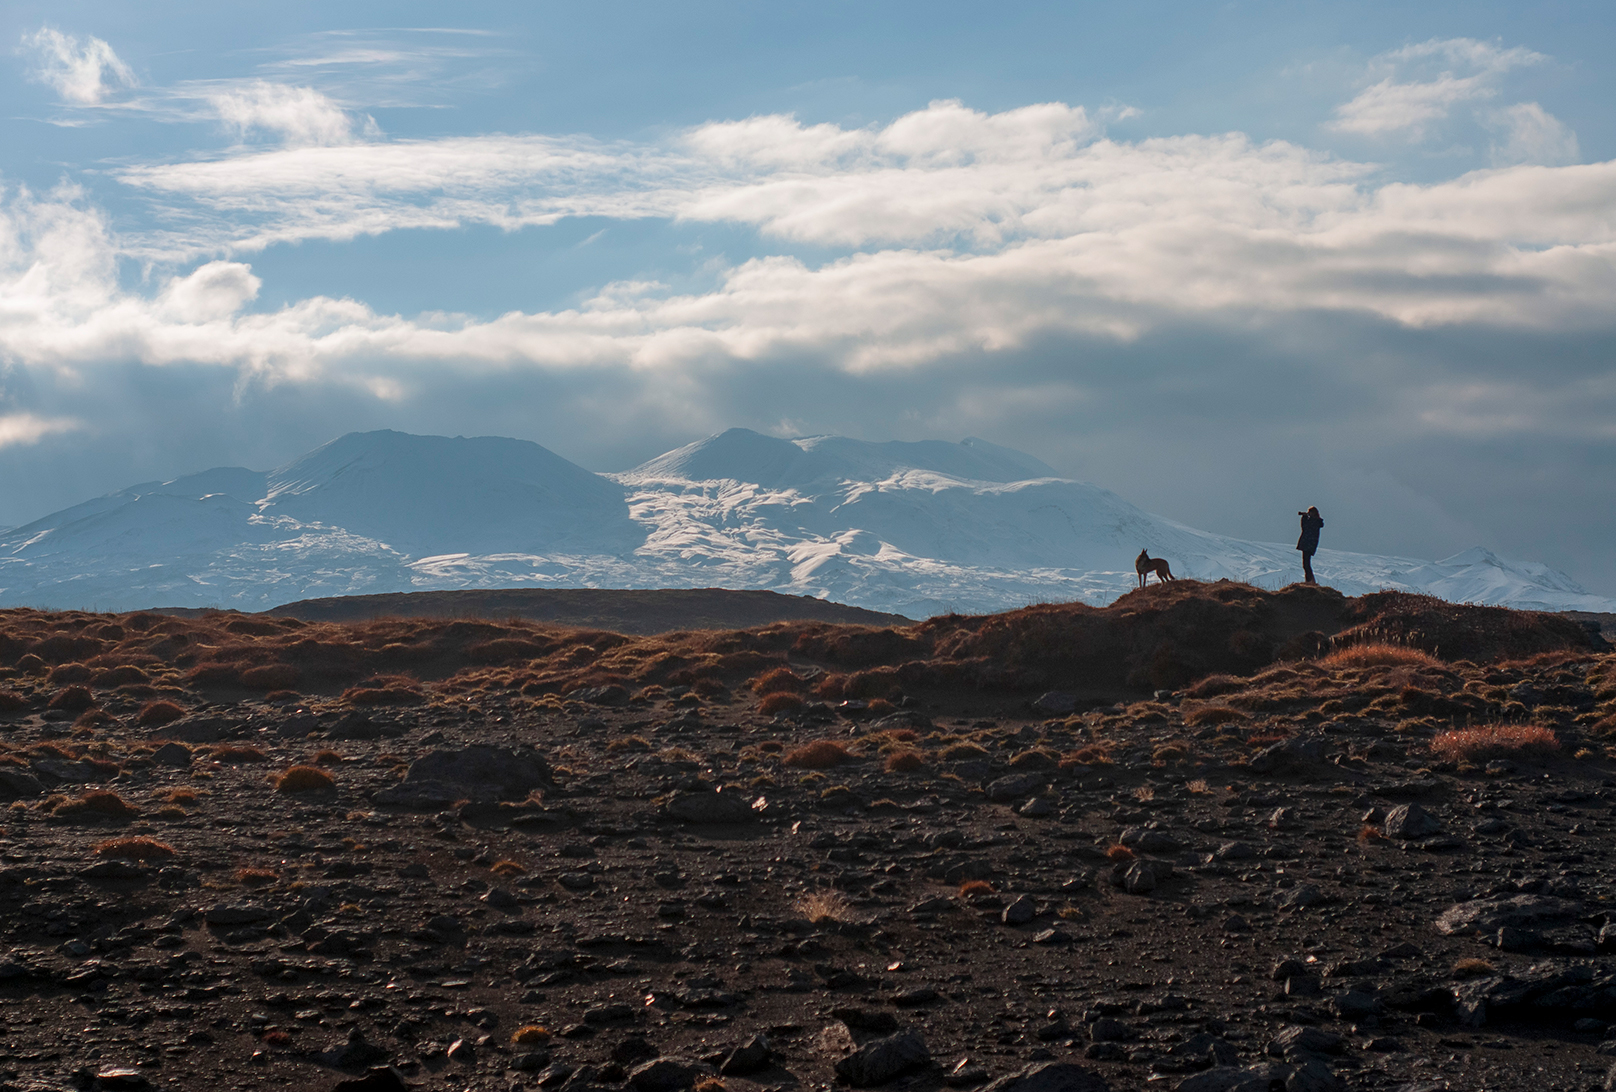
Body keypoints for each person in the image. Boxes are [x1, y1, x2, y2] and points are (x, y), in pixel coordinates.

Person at [1297, 506, 1323, 584]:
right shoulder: (1317, 521)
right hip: (1309, 544)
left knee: (1306, 564)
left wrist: (1304, 518)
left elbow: (1305, 527)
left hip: (1308, 544)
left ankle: (1310, 581)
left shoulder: (1315, 521)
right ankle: (1310, 581)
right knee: (1306, 564)